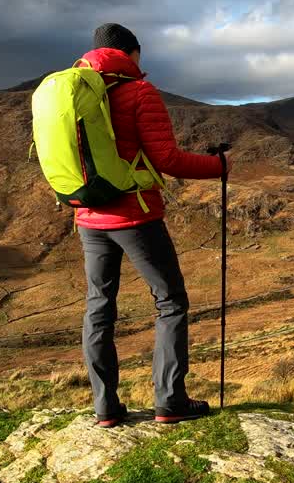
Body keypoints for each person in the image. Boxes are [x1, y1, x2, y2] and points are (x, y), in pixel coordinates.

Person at [75, 23, 227, 427]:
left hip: (89, 218)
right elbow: (168, 160)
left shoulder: (77, 94)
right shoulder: (139, 92)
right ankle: (169, 401)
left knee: (99, 307)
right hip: (135, 216)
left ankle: (105, 408)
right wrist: (219, 166)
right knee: (170, 301)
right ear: (134, 53)